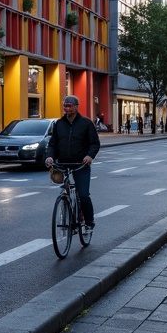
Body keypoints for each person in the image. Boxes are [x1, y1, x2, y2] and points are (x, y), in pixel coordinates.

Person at [45, 95, 100, 234]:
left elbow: (94, 143)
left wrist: (89, 156)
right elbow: (52, 144)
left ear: (76, 107)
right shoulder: (59, 124)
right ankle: (68, 215)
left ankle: (88, 221)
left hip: (81, 165)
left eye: (70, 106)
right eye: (65, 105)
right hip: (62, 164)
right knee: (65, 191)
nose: (67, 108)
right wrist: (50, 157)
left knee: (83, 195)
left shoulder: (86, 123)